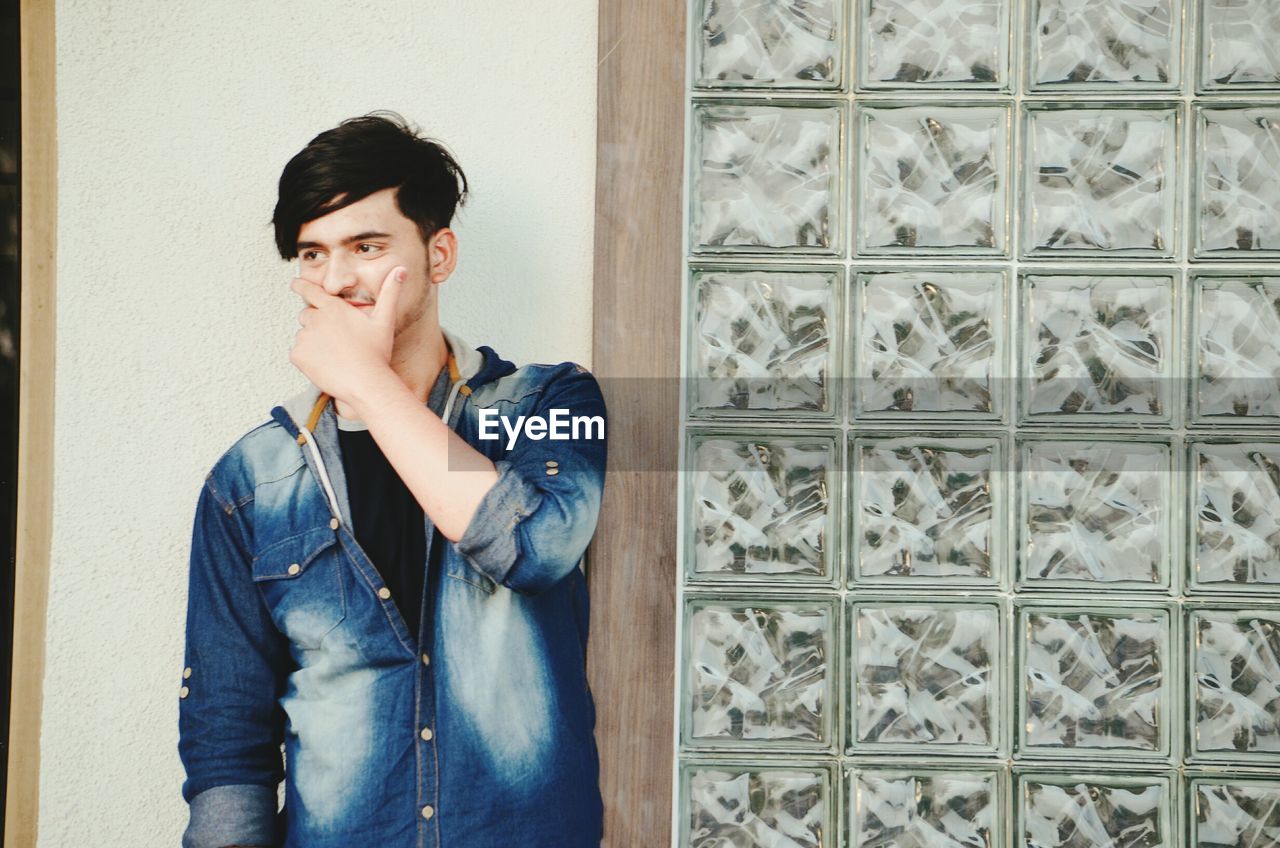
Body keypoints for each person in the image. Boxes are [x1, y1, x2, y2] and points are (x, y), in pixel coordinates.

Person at [177, 113, 607, 848]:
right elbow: (226, 735)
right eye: (314, 255)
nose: (337, 279)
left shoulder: (549, 403)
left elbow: (536, 547)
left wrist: (366, 387)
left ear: (439, 255)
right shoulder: (251, 481)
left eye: (367, 247)